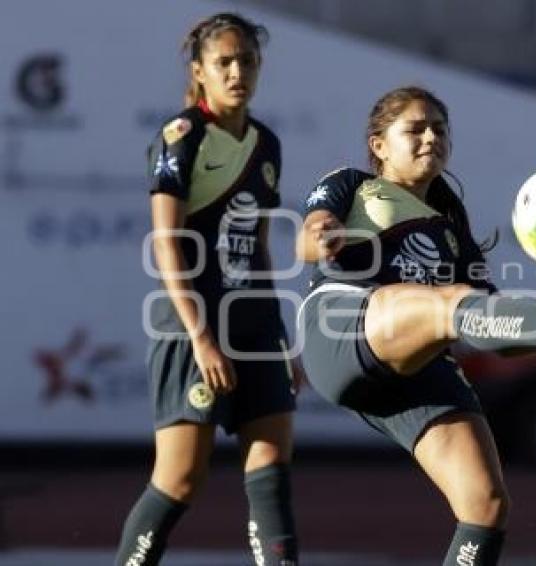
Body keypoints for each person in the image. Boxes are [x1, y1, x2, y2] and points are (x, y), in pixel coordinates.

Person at [294, 85, 536, 565]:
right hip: (341, 329)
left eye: (439, 128)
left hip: (413, 363)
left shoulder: (454, 232)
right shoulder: (353, 183)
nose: (430, 136)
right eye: (414, 129)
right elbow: (308, 239)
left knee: (486, 504)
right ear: (378, 145)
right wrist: (321, 236)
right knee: (451, 300)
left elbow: (490, 332)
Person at [115, 13, 299, 565]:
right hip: (193, 329)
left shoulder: (266, 144)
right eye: (224, 62)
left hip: (256, 326)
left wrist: (280, 337)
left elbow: (258, 247)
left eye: (247, 60)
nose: (237, 71)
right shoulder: (182, 137)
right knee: (180, 479)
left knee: (271, 471)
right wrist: (201, 337)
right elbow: (166, 244)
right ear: (200, 71)